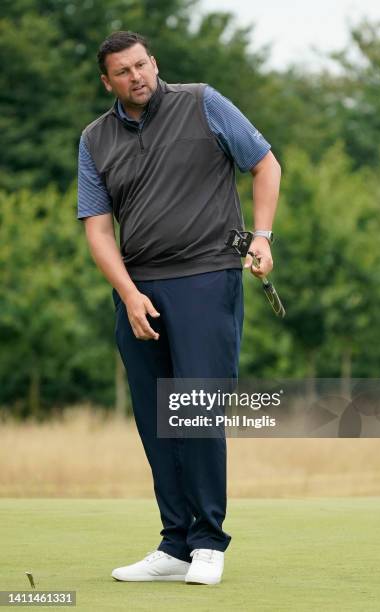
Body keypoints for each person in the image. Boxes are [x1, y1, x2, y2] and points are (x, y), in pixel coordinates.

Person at [77, 30, 281, 586]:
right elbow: (98, 232)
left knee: (195, 411)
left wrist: (262, 236)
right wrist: (128, 294)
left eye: (141, 65)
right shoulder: (94, 140)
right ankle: (174, 543)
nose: (135, 76)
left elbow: (265, 164)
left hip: (206, 278)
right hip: (140, 289)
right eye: (122, 71)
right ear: (108, 81)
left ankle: (209, 541)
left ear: (154, 63)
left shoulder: (202, 102)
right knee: (155, 420)